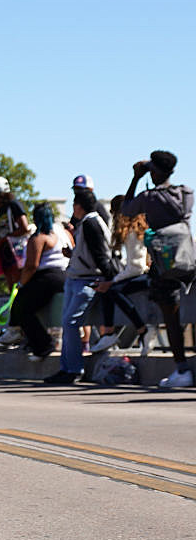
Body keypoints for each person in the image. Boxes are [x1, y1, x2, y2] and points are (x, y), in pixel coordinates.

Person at [120, 150, 195, 388]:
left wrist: (135, 177)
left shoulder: (149, 197)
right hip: (188, 255)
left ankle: (182, 370)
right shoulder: (185, 192)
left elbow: (126, 210)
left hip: (165, 264)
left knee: (171, 318)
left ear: (154, 171)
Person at [44, 189, 117, 384]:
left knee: (70, 323)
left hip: (87, 280)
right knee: (68, 323)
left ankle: (73, 369)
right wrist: (75, 254)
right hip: (77, 278)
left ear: (78, 206)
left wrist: (110, 278)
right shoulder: (89, 222)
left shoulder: (91, 223)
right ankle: (67, 368)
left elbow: (101, 255)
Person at [8, 203, 69, 360]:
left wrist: (20, 284)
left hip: (47, 277)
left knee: (22, 309)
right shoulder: (62, 234)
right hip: (64, 276)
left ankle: (43, 346)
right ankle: (37, 341)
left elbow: (31, 266)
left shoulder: (38, 238)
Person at [91, 196, 149, 354]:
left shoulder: (132, 232)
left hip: (146, 275)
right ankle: (109, 333)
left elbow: (136, 268)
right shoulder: (137, 229)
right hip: (144, 273)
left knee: (112, 289)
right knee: (108, 288)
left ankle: (142, 329)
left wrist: (113, 281)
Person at [0, 176, 30, 291]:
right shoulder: (0, 210)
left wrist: (3, 240)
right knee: (12, 287)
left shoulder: (14, 205)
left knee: (19, 286)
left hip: (18, 254)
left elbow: (24, 228)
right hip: (7, 254)